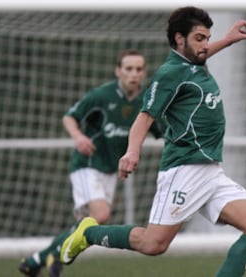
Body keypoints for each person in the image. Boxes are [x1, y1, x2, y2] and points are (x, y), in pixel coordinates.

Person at [60, 6, 246, 277]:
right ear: (178, 39)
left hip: (210, 171)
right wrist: (132, 152)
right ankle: (88, 232)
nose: (205, 45)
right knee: (153, 244)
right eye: (199, 38)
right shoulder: (169, 73)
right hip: (184, 170)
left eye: (208, 38)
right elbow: (144, 117)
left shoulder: (195, 61)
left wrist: (228, 40)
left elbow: (202, 53)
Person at [18, 49, 164, 277]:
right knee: (100, 215)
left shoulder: (145, 103)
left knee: (84, 225)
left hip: (109, 171)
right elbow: (70, 117)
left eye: (138, 69)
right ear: (118, 71)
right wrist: (78, 137)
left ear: (144, 72)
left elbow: (161, 131)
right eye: (128, 69)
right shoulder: (101, 96)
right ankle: (51, 256)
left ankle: (37, 260)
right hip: (87, 164)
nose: (133, 74)